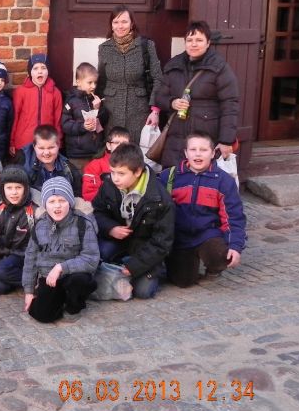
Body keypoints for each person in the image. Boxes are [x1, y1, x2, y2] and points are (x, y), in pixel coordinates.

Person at [157, 131, 245, 287]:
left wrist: (235, 246)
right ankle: (185, 262)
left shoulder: (223, 181)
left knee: (219, 255)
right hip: (179, 236)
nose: (198, 154)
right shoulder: (168, 177)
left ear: (212, 153)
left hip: (208, 234)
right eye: (193, 149)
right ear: (186, 153)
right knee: (183, 282)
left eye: (203, 150)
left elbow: (233, 216)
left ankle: (213, 267)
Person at [92, 143, 174, 299]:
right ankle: (120, 265)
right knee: (99, 256)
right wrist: (110, 228)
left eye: (121, 174)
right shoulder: (109, 185)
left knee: (143, 292)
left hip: (145, 246)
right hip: (118, 241)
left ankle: (154, 269)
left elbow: (162, 242)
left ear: (137, 172)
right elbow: (97, 211)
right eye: (112, 172)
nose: (115, 178)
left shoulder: (160, 199)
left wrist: (134, 266)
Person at [155, 20, 240, 169]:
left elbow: (230, 105)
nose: (194, 44)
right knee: (174, 178)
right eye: (190, 40)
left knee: (203, 182)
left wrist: (226, 140)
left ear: (208, 43)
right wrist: (172, 102)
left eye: (199, 40)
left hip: (206, 136)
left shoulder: (219, 68)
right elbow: (159, 96)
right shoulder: (174, 65)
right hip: (176, 137)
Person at [22, 177, 99, 323]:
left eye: (62, 201)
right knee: (41, 314)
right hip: (49, 278)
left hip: (74, 275)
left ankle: (74, 306)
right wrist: (29, 291)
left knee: (79, 281)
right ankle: (59, 299)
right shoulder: (39, 225)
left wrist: (61, 268)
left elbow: (91, 259)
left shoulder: (83, 223)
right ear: (45, 205)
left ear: (69, 202)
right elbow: (30, 259)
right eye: (52, 202)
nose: (57, 206)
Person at [96, 5, 162, 144]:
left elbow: (157, 78)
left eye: (124, 21)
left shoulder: (146, 46)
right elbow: (101, 81)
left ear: (132, 23)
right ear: (111, 25)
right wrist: (97, 111)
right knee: (114, 151)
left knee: (136, 152)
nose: (120, 26)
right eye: (116, 22)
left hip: (139, 111)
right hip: (111, 111)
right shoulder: (104, 48)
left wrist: (155, 111)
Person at [0, 166, 40, 294]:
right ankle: (23, 279)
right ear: (2, 189)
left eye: (18, 187)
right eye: (9, 188)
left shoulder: (32, 211)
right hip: (8, 254)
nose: (14, 192)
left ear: (26, 189)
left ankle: (37, 280)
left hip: (25, 256)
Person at [10, 53, 63, 155]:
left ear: (48, 71)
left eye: (43, 68)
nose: (40, 71)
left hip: (46, 143)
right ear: (30, 72)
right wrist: (12, 142)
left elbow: (58, 120)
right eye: (35, 68)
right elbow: (14, 118)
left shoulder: (55, 92)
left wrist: (58, 141)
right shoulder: (21, 91)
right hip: (24, 143)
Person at [62, 62, 110, 169]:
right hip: (78, 153)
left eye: (95, 82)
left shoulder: (95, 98)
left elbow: (104, 120)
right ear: (78, 82)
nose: (94, 86)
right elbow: (65, 125)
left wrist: (97, 108)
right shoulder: (71, 101)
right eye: (90, 82)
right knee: (79, 181)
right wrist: (82, 126)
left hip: (95, 151)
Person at [18, 125, 82, 196]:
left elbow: (77, 195)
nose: (46, 153)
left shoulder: (68, 169)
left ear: (58, 145)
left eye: (51, 148)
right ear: (34, 146)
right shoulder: (22, 164)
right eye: (41, 148)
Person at [81, 126, 130, 202]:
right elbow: (89, 194)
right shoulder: (94, 165)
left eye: (124, 143)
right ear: (109, 146)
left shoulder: (135, 164)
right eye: (116, 143)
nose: (121, 146)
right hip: (104, 207)